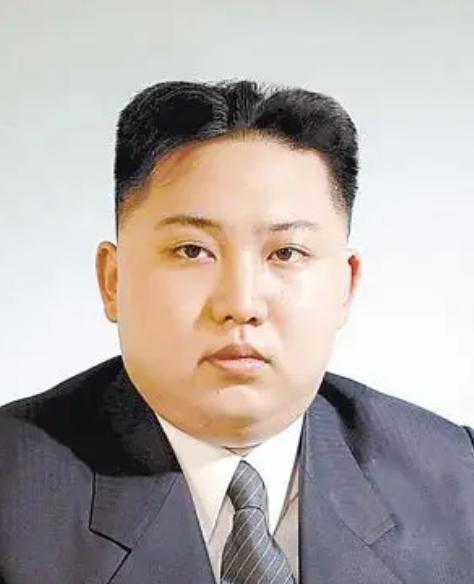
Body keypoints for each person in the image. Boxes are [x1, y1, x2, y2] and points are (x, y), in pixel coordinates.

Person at [1, 79, 473, 584]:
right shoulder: (14, 497)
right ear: (112, 280)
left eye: (286, 253)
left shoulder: (457, 480)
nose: (240, 305)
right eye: (192, 251)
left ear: (346, 285)